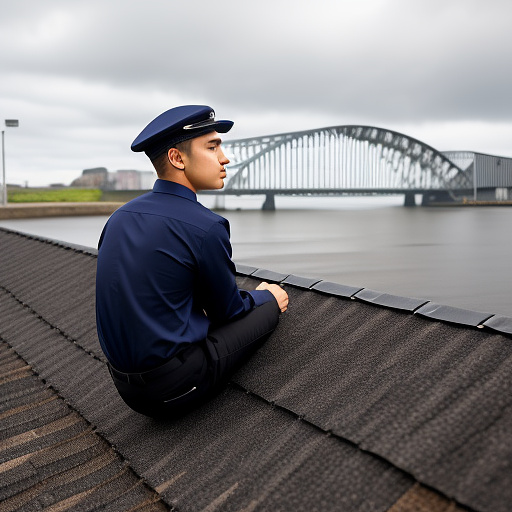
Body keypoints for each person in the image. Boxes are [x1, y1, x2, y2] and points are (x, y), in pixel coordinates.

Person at [95, 105, 288, 418]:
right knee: (269, 307)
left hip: (127, 390)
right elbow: (230, 312)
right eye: (212, 147)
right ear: (177, 158)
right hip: (176, 389)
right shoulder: (205, 225)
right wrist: (266, 296)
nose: (224, 158)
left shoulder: (120, 217)